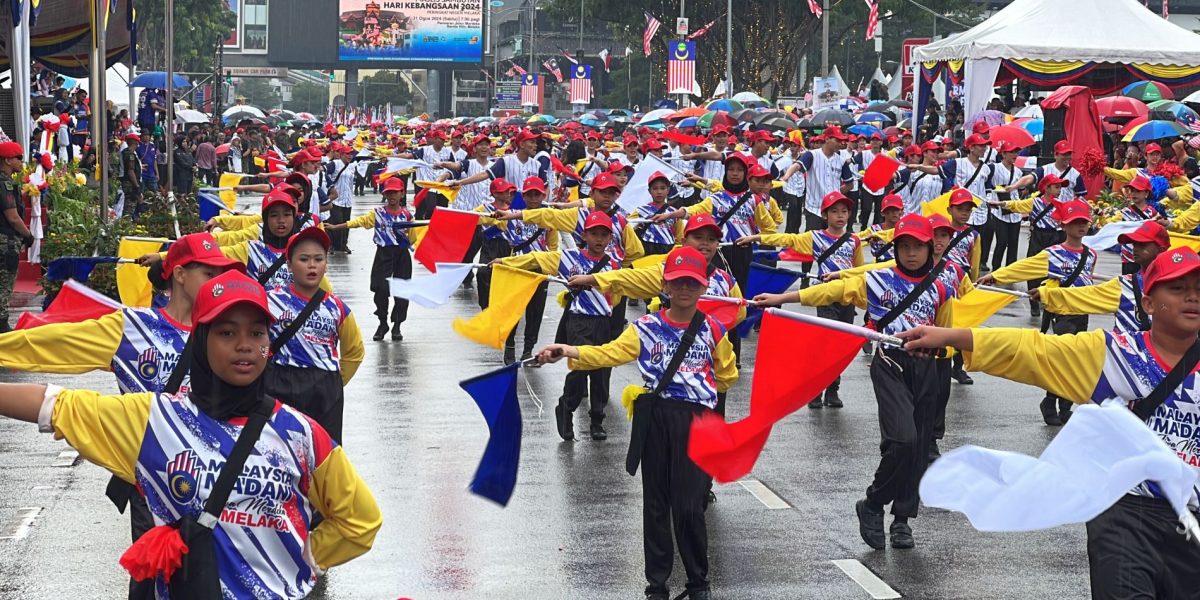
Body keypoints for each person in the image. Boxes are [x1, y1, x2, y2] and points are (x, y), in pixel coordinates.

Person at [0, 269, 382, 598]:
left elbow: (361, 522)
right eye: (227, 333)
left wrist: (302, 559)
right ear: (201, 341)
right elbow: (53, 404)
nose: (245, 345)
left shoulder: (301, 434)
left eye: (257, 332)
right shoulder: (152, 420)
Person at [897, 246, 1200, 600]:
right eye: (1177, 289)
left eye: (1198, 288)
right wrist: (951, 337)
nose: (1192, 297)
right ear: (1148, 303)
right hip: (1123, 514)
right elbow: (1032, 349)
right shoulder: (1112, 354)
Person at [536, 246, 736, 600]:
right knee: (656, 504)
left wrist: (696, 395)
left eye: (692, 282)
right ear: (665, 285)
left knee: (690, 505)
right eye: (677, 283)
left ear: (704, 286)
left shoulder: (713, 330)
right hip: (655, 418)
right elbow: (608, 352)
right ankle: (656, 585)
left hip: (697, 423)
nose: (684, 290)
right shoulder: (645, 328)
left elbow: (726, 375)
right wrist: (567, 350)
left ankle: (698, 583)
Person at [755, 213, 954, 550]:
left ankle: (902, 519)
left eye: (917, 246)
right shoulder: (876, 280)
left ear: (929, 247)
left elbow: (947, 331)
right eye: (903, 246)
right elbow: (831, 290)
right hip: (890, 364)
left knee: (919, 449)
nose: (910, 253)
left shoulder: (941, 286)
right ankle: (873, 503)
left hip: (926, 369)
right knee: (903, 440)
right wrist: (780, 299)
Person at [498, 211, 622, 441]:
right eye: (594, 233)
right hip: (579, 321)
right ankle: (567, 406)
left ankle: (597, 419)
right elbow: (535, 259)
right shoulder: (569, 257)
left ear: (610, 238)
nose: (598, 239)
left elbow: (621, 292)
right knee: (581, 367)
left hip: (604, 322)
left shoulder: (615, 263)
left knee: (602, 371)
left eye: (603, 235)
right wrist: (504, 261)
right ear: (584, 234)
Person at [737, 190, 864, 407]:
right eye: (834, 212)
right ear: (825, 216)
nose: (840, 216)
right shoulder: (815, 237)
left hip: (846, 300)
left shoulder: (853, 241)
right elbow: (787, 238)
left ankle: (832, 391)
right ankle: (814, 391)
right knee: (823, 346)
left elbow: (860, 271)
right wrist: (757, 237)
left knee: (839, 348)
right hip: (823, 298)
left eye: (844, 211)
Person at [978, 200, 1098, 426]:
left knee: (1075, 360)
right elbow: (1025, 266)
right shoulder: (1053, 253)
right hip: (1061, 314)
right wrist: (996, 276)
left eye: (1084, 222)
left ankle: (1065, 405)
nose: (1080, 227)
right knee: (1064, 360)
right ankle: (1051, 401)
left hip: (1082, 314)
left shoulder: (1091, 255)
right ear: (1064, 225)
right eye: (1075, 223)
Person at [265, 227, 364, 444]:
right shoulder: (269, 301)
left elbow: (354, 351)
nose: (312, 265)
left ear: (326, 264)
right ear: (289, 264)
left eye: (319, 259)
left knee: (324, 452)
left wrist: (335, 382)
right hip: (279, 382)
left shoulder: (338, 308)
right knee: (280, 447)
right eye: (304, 259)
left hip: (324, 389)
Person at [1033, 220, 1169, 334]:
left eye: (1142, 244)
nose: (1135, 248)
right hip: (1125, 359)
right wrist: (1047, 295)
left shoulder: (1178, 285)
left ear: (1161, 249)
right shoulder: (1125, 284)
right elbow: (1086, 296)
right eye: (1134, 243)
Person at [991, 173, 1068, 318]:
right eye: (1056, 187)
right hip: (1038, 237)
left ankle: (1050, 301)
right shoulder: (1035, 202)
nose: (1060, 190)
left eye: (1060, 187)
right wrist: (1001, 204)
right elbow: (1017, 205)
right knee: (1033, 269)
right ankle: (1034, 302)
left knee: (1053, 272)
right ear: (1046, 188)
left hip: (1056, 238)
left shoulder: (1061, 204)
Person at [0, 141, 33, 333]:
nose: (21, 162)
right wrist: (28, 235)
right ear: (7, 160)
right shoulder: (4, 183)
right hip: (5, 241)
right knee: (4, 285)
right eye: (19, 158)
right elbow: (13, 217)